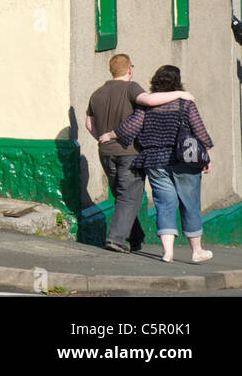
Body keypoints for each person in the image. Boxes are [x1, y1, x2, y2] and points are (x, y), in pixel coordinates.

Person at [103, 65, 214, 263]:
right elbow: (200, 131)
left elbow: (131, 126)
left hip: (154, 162)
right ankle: (197, 251)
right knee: (190, 204)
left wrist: (110, 134)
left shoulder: (147, 105)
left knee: (165, 205)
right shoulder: (185, 104)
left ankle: (167, 252)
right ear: (177, 82)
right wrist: (207, 155)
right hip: (184, 162)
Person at [85, 53, 195, 253]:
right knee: (130, 196)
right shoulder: (131, 87)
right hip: (129, 151)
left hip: (105, 152)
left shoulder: (97, 93)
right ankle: (116, 239)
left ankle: (135, 238)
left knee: (122, 195)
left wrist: (102, 138)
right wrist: (180, 94)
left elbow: (89, 124)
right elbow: (150, 100)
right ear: (129, 69)